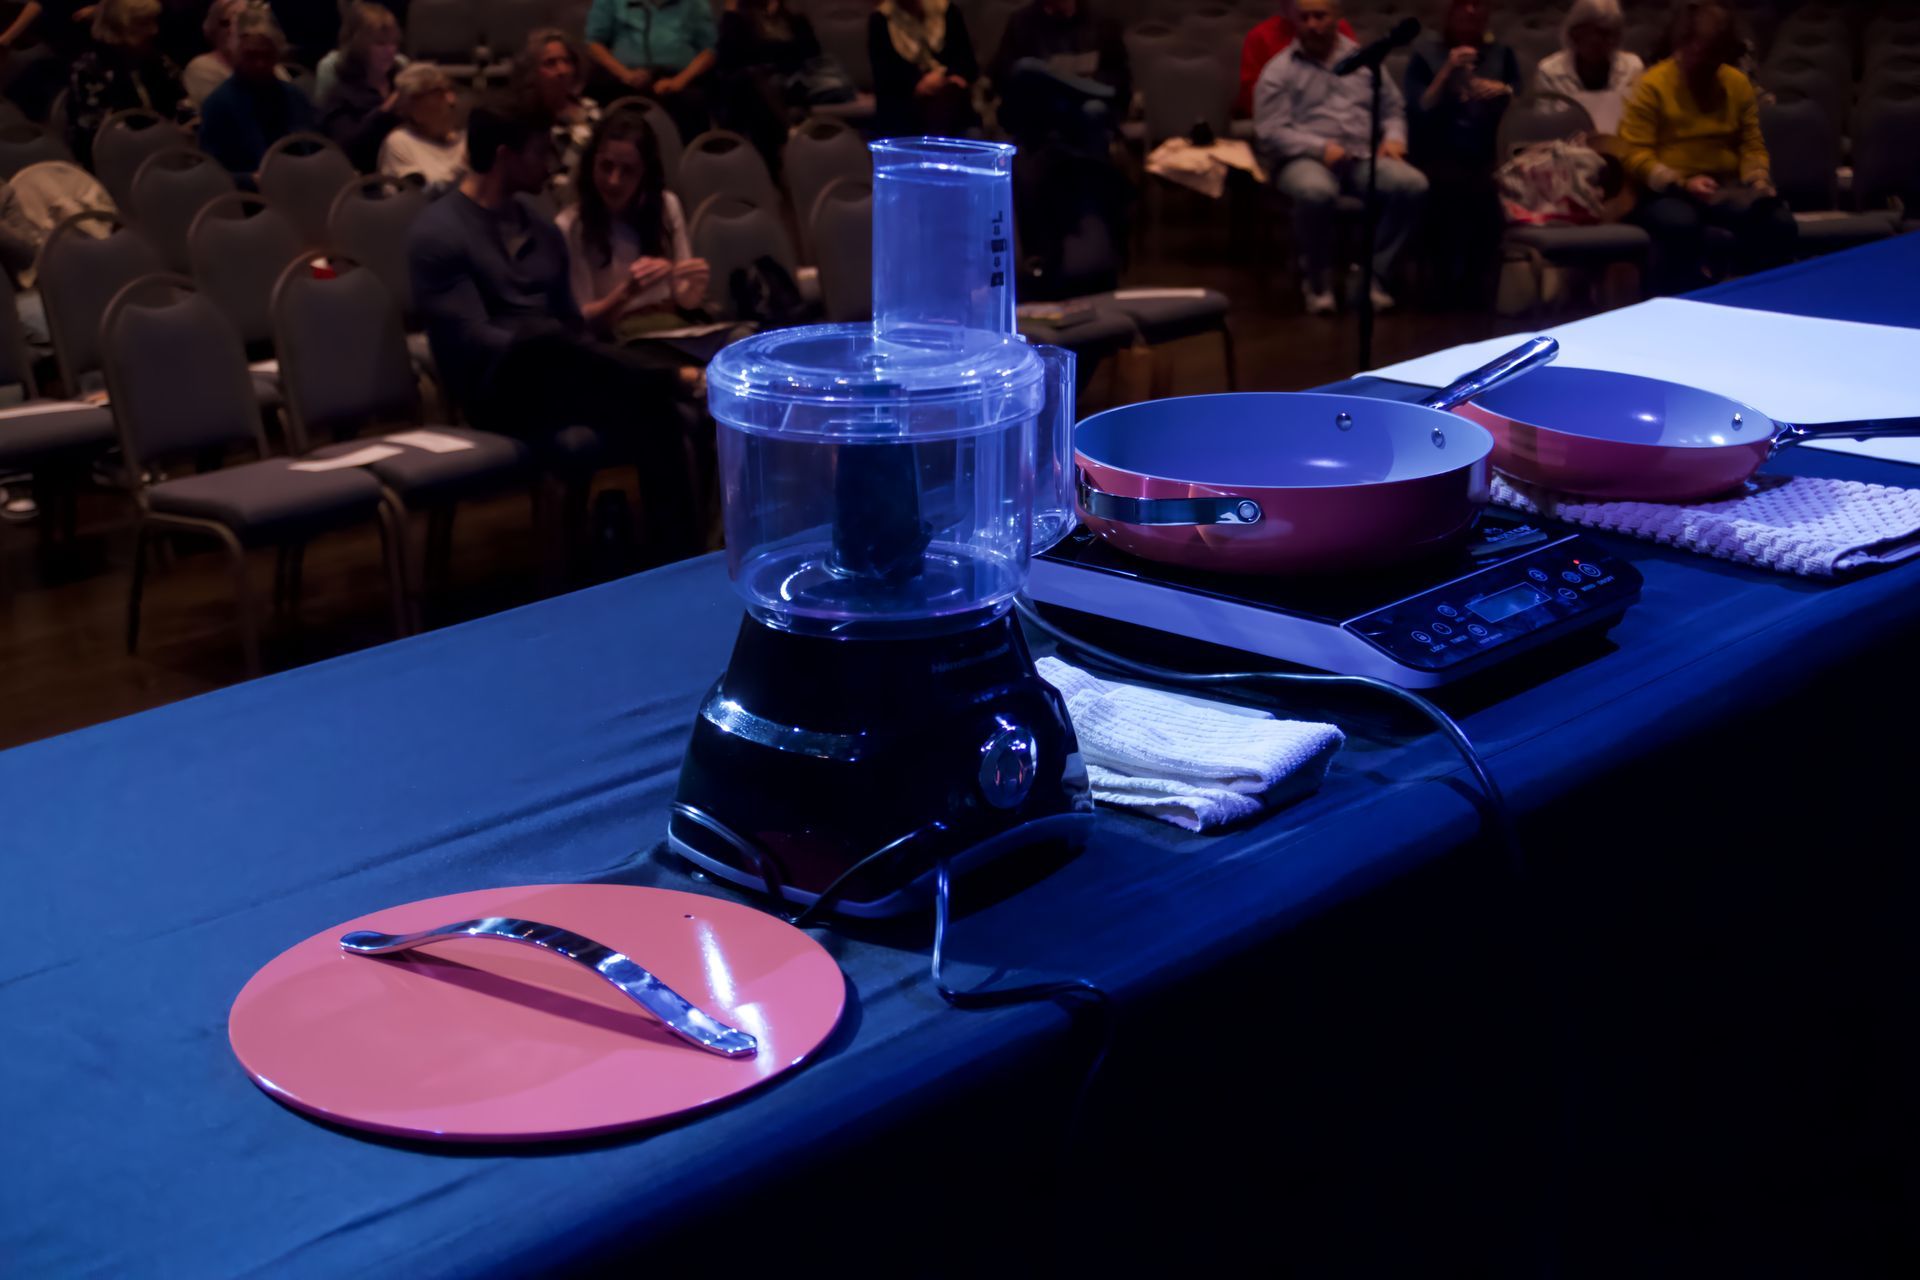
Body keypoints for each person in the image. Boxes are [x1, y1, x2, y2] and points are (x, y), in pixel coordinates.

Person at [406, 102, 701, 559]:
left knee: (654, 410)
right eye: (541, 152)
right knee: (544, 344)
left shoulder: (540, 231)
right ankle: (677, 377)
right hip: (496, 389)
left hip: (563, 373)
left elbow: (572, 325)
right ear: (506, 157)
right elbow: (471, 339)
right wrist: (550, 342)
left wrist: (567, 343)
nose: (551, 164)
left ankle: (678, 562)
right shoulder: (439, 232)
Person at [1253, 0, 1426, 315]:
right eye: (1304, 18)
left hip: (1360, 156)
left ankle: (1373, 279)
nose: (1312, 25)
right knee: (1316, 192)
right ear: (1294, 20)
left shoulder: (1365, 61)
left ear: (1337, 18)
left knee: (1411, 185)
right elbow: (1270, 132)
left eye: (1320, 16)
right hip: (1303, 159)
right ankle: (1317, 279)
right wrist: (1320, 148)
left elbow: (1392, 109)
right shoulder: (1279, 70)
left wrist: (1394, 138)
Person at [1618, 0, 1792, 295]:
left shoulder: (1736, 84)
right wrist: (1683, 182)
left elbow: (1751, 145)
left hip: (1724, 189)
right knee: (1679, 224)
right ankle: (1680, 305)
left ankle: (1762, 300)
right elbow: (1634, 154)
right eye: (1700, 56)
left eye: (1714, 58)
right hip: (1667, 192)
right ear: (1682, 46)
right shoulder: (1652, 85)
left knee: (1777, 223)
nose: (1706, 66)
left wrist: (1757, 178)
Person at [989, 0, 1131, 297]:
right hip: (1040, 125)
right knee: (1029, 72)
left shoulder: (1102, 25)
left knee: (1092, 109)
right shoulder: (1022, 23)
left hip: (1086, 126)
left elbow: (1121, 87)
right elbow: (1005, 82)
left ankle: (1097, 256)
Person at [554, 111, 710, 347]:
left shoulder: (666, 205)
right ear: (591, 164)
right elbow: (582, 320)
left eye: (628, 171)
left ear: (645, 173)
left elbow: (686, 301)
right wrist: (627, 292)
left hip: (670, 329)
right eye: (606, 166)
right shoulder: (571, 225)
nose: (614, 180)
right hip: (615, 342)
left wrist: (694, 283)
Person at [1404, 0, 1519, 303]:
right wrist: (1447, 71)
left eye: (1478, 5)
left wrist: (1503, 91)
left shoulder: (1502, 54)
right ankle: (1444, 286)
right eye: (1462, 5)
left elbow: (1525, 102)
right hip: (1437, 150)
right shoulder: (1425, 55)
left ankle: (1478, 286)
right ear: (1448, 13)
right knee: (1450, 186)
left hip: (1489, 152)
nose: (1471, 11)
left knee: (1488, 187)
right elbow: (1419, 108)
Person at [66, 0, 188, 170]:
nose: (154, 30)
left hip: (167, 155)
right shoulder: (89, 70)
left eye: (154, 21)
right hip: (119, 166)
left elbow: (184, 104)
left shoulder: (156, 60)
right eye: (143, 23)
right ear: (118, 27)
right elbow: (100, 136)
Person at [197, 3, 316, 175]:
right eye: (251, 56)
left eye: (266, 55)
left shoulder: (295, 97)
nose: (259, 64)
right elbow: (212, 173)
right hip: (246, 196)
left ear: (277, 55)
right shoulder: (217, 105)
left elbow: (314, 152)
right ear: (236, 53)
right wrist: (251, 180)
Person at [584, 0, 716, 143]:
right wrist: (625, 75)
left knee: (693, 102)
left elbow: (709, 50)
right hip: (623, 77)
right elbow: (594, 43)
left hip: (677, 81)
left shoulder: (695, 4)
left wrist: (679, 81)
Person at [714, 0, 822, 173]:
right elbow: (728, 58)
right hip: (754, 91)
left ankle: (782, 154)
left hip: (793, 82)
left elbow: (809, 52)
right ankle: (789, 133)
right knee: (752, 84)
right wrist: (731, 12)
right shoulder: (740, 21)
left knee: (757, 91)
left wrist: (768, 52)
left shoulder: (794, 19)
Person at [512, 28, 601, 202]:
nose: (562, 70)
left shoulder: (594, 114)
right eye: (550, 63)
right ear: (532, 72)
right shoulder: (522, 120)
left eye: (566, 61)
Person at [869, 0, 978, 137]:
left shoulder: (947, 11)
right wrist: (920, 85)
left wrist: (947, 76)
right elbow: (885, 77)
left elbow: (967, 62)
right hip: (906, 97)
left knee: (949, 98)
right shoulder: (881, 19)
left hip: (949, 90)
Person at [1532, 0, 1644, 134]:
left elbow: (1640, 121)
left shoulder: (1633, 67)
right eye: (1601, 33)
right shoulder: (1549, 71)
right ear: (1575, 34)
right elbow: (1543, 127)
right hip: (1565, 149)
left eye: (1613, 33)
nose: (1609, 41)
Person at [318, 2, 402, 172]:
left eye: (393, 43)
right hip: (366, 179)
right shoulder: (342, 94)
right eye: (380, 44)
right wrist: (385, 111)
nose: (390, 51)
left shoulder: (400, 80)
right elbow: (345, 146)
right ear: (359, 47)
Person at [1236, 0, 1355, 118]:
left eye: (1319, 16)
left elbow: (1357, 80)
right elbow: (1251, 100)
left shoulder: (1337, 28)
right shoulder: (1259, 37)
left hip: (1341, 114)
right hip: (1288, 118)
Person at [378, 62, 464, 189]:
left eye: (448, 90)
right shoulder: (400, 142)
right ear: (413, 106)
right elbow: (417, 197)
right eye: (438, 93)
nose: (451, 99)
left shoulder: (465, 141)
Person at [182, 0, 242, 107]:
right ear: (213, 28)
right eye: (226, 23)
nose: (233, 30)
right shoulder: (202, 68)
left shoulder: (271, 66)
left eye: (242, 22)